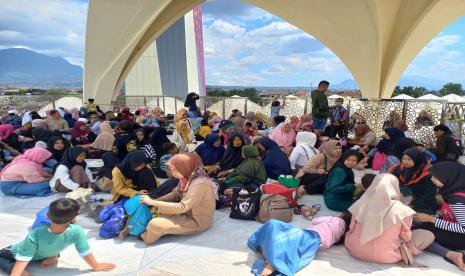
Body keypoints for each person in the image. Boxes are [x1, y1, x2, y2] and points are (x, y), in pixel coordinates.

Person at [0, 198, 115, 275]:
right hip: (28, 253)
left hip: (22, 253)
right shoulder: (77, 231)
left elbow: (23, 258)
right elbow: (85, 251)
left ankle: (53, 255)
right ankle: (53, 255)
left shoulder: (36, 234)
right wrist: (96, 266)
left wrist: (17, 273)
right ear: (73, 218)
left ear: (47, 215)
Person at [345, 174, 434, 264]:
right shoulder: (403, 210)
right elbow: (406, 237)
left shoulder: (360, 204)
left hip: (356, 251)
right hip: (387, 256)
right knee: (427, 235)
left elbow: (351, 228)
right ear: (395, 187)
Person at [140, 153, 217, 244]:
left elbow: (182, 207)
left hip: (197, 220)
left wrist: (154, 202)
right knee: (156, 212)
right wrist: (155, 201)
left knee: (154, 224)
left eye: (174, 169)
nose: (172, 172)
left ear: (185, 167)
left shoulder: (199, 184)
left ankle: (145, 236)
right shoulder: (187, 177)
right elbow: (175, 194)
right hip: (187, 213)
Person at [248, 215, 347, 276]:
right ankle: (272, 257)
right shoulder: (341, 235)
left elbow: (315, 221)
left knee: (274, 225)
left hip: (310, 234)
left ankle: (273, 262)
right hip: (315, 243)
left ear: (343, 215)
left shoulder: (336, 219)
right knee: (294, 249)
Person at [413, 162, 465, 271]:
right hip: (455, 230)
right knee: (420, 224)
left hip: (461, 238)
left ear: (449, 177)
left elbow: (463, 228)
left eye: (435, 177)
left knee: (416, 234)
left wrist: (431, 219)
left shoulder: (457, 200)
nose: (432, 179)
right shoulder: (456, 191)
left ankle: (451, 254)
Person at [390, 148, 437, 215]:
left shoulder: (428, 175)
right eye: (403, 158)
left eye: (409, 159)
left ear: (417, 159)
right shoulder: (399, 169)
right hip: (401, 200)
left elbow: (428, 196)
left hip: (421, 205)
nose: (405, 162)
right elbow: (392, 185)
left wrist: (411, 205)